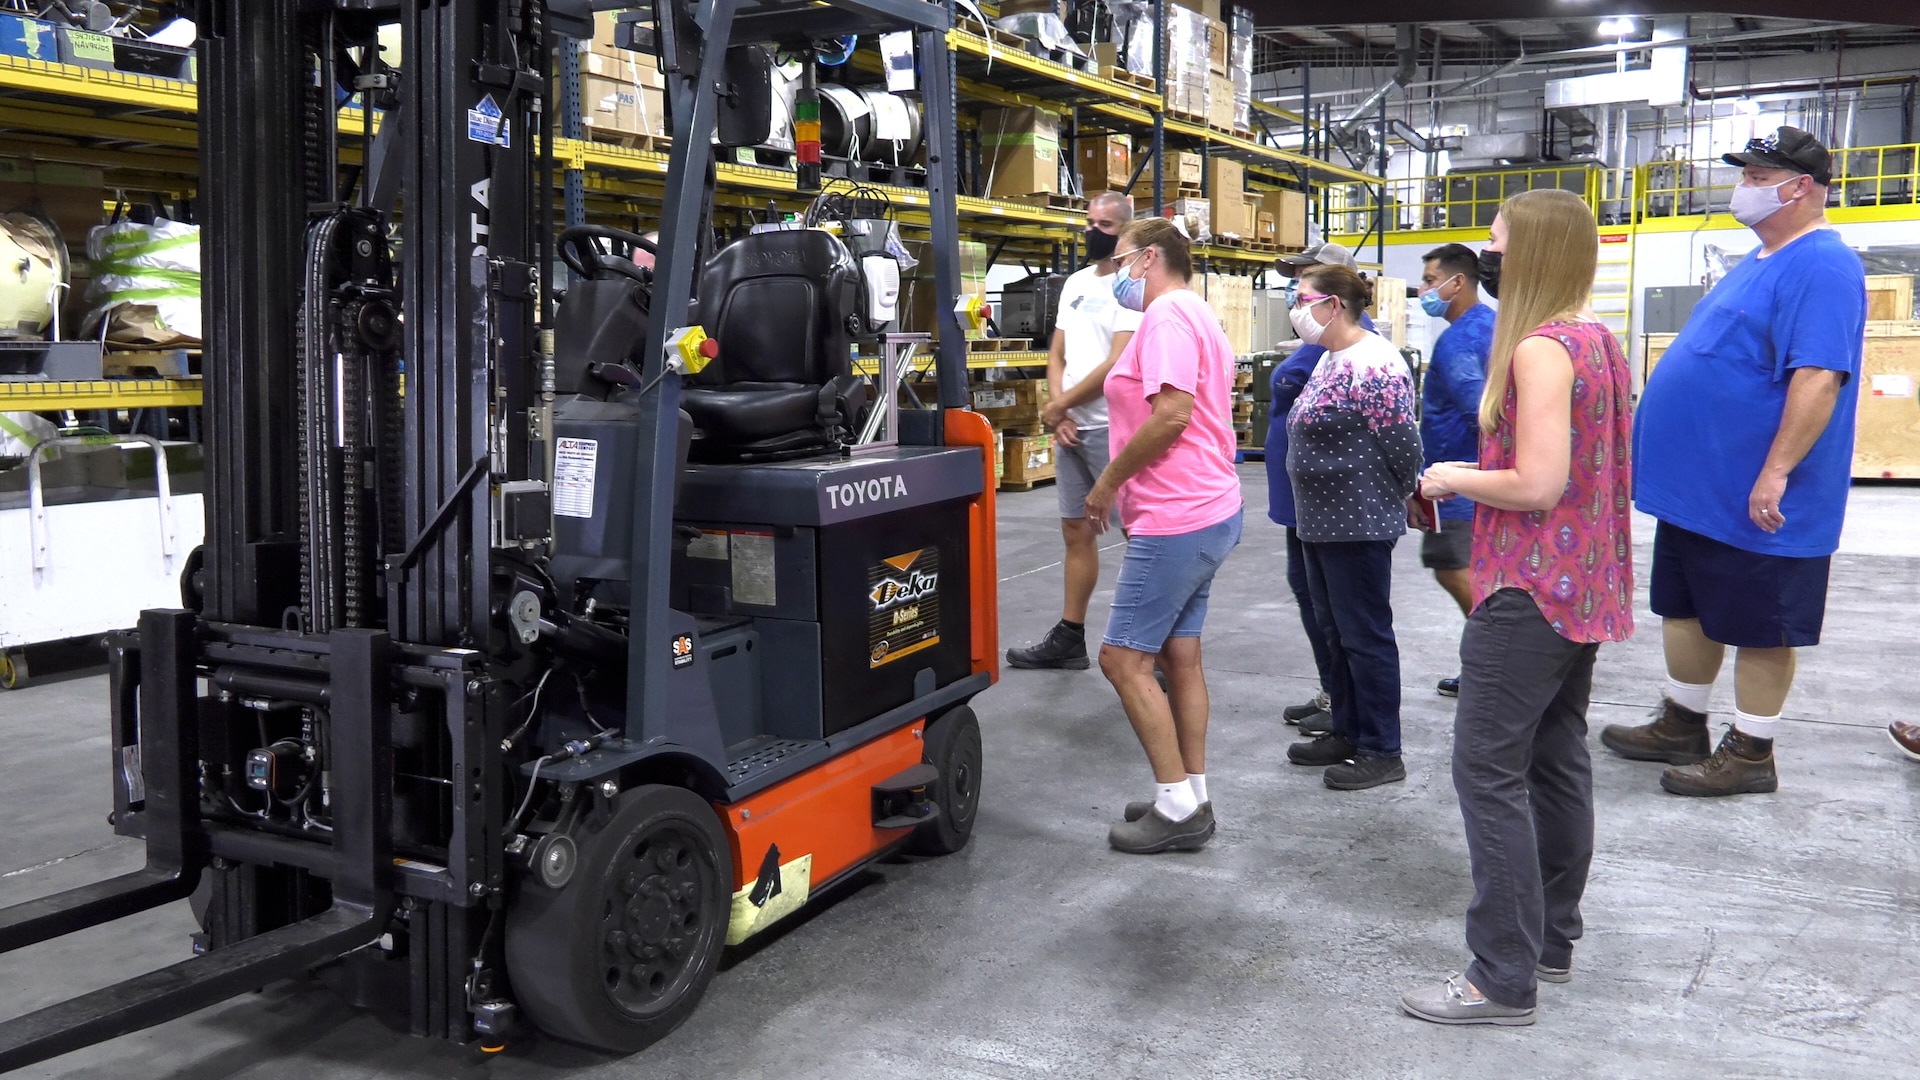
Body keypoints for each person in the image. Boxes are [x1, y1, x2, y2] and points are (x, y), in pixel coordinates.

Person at [1400, 189, 1634, 1027]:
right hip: (1585, 587)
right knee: (1556, 756)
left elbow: (1538, 483)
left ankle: (1501, 976)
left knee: (1487, 771)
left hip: (1528, 588)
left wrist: (1450, 476)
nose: (1484, 258)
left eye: (1496, 245)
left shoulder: (1539, 349)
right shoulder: (1597, 338)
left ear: (1528, 253)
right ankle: (1549, 941)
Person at [1602, 126, 1867, 797]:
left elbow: (1818, 377)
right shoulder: (1759, 259)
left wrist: (1776, 471)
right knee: (1686, 609)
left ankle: (1752, 753)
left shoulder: (1823, 264)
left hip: (1758, 497)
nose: (1742, 187)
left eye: (1755, 176)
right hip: (1703, 492)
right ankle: (1682, 721)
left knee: (1761, 624)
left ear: (1798, 186)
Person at [1087, 217, 1243, 854]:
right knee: (1179, 655)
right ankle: (1191, 791)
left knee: (1122, 658)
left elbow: (1173, 413)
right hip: (1206, 508)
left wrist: (1106, 484)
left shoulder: (1169, 317)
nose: (1114, 273)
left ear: (1151, 258)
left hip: (1178, 514)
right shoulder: (1197, 313)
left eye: (1121, 259)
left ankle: (1176, 806)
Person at [1281, 263, 1420, 791]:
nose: (1297, 309)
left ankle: (1383, 748)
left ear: (1332, 304)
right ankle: (1348, 728)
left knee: (1365, 636)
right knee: (1336, 632)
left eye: (1302, 298)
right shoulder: (1333, 358)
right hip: (1320, 522)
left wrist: (1408, 492)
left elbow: (1402, 442)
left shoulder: (1375, 362)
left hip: (1358, 520)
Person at [1008, 193, 1142, 670]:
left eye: (1105, 224)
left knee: (1139, 536)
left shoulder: (1132, 287)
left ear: (1124, 230)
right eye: (1089, 221)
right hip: (1071, 429)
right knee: (1074, 531)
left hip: (1115, 427)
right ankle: (1070, 637)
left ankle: (1156, 646)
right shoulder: (1077, 283)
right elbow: (1057, 354)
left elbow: (1118, 362)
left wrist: (1060, 405)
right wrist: (1058, 412)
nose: (1094, 231)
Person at [1267, 242, 1373, 737]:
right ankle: (1334, 691)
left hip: (1332, 501)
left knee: (1337, 609)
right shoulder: (1318, 344)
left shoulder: (1353, 348)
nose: (1296, 293)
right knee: (1312, 598)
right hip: (1299, 497)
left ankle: (1349, 710)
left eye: (1306, 282)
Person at [1416, 243, 1494, 697]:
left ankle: (1495, 661)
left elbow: (1479, 411)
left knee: (1454, 569)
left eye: (1430, 281)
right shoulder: (1490, 324)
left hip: (1460, 484)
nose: (1425, 290)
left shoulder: (1460, 340)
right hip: (1472, 480)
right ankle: (1487, 663)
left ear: (1456, 282)